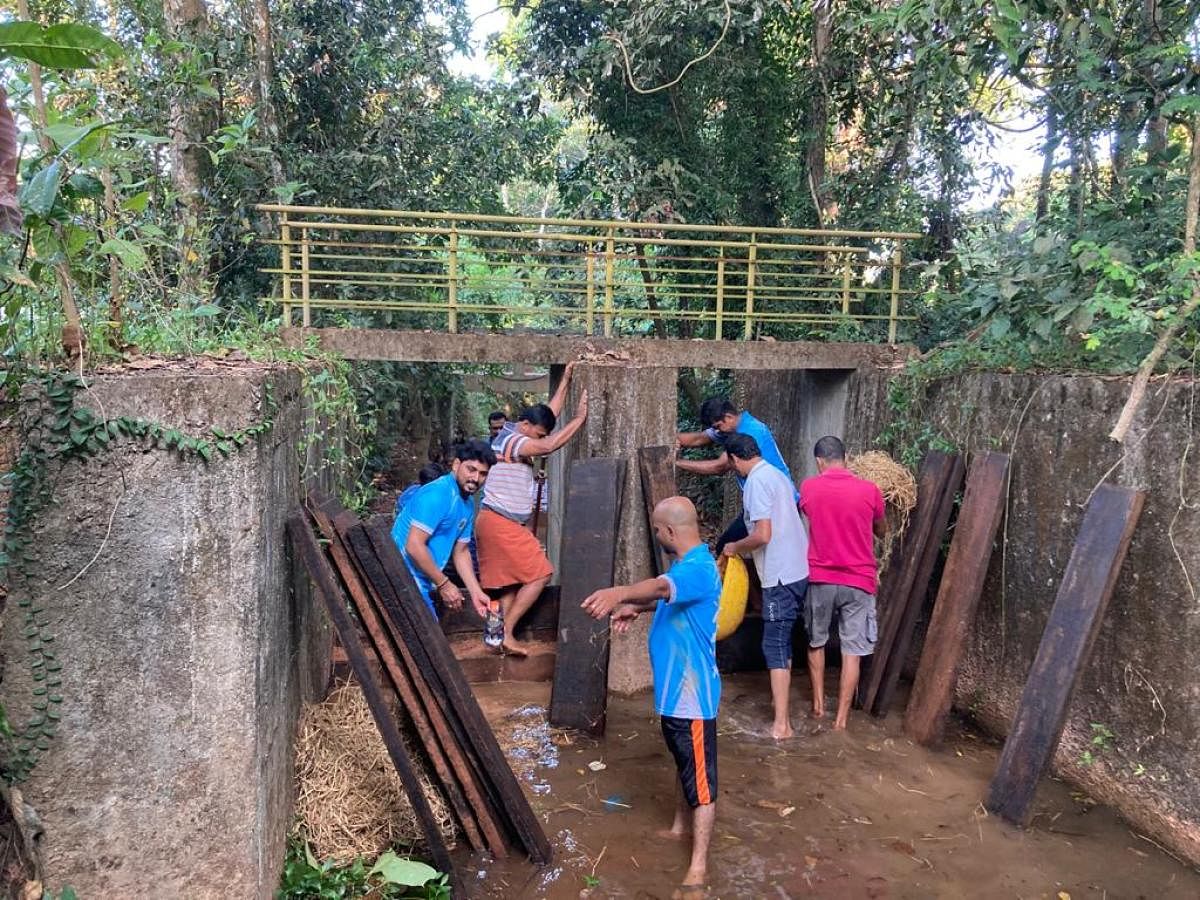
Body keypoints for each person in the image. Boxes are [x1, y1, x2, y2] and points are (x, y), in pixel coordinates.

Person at [582, 496, 720, 895]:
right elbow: (668, 599)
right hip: (677, 694)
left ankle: (698, 867)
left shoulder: (697, 568)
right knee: (684, 763)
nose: (658, 535)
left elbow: (662, 587)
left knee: (702, 780)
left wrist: (619, 593)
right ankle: (680, 827)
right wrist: (636, 610)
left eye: (657, 530)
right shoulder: (688, 566)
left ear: (670, 532)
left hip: (694, 697)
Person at [476, 361, 588, 655]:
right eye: (537, 433)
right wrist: (579, 419)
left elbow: (548, 416)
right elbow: (547, 446)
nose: (538, 438)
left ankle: (498, 637)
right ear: (525, 426)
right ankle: (508, 635)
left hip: (500, 522)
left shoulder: (516, 433)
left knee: (512, 583)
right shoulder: (513, 439)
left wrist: (565, 381)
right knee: (540, 574)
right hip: (500, 523)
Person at [721, 434, 809, 739]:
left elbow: (762, 534)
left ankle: (781, 726)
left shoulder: (755, 483)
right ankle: (779, 703)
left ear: (734, 459)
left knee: (773, 644)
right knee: (782, 639)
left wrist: (735, 547)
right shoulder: (776, 474)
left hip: (780, 574)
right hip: (797, 569)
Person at [798, 435, 886, 732]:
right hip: (859, 581)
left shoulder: (809, 487)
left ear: (819, 461)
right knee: (853, 650)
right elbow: (881, 529)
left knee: (816, 641)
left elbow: (807, 512)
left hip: (820, 578)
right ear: (846, 458)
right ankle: (841, 721)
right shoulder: (870, 490)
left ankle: (819, 707)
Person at [675, 397, 796, 551]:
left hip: (778, 500)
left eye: (718, 426)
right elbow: (699, 438)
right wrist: (672, 439)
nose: (717, 431)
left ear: (729, 417)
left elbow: (720, 466)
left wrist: (678, 463)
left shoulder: (751, 431)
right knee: (738, 548)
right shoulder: (731, 428)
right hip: (763, 499)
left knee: (732, 547)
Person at [391, 439, 495, 618]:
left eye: (483, 474)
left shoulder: (467, 502)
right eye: (471, 469)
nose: (476, 478)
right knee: (429, 640)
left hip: (423, 581)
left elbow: (461, 552)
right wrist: (444, 583)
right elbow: (414, 546)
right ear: (456, 465)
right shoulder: (438, 494)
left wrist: (476, 592)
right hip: (403, 579)